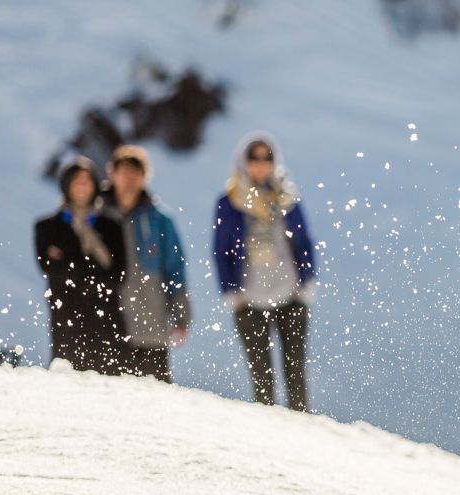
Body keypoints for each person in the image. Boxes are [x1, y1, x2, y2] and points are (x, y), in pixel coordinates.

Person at [213, 132, 316, 411]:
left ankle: (302, 429)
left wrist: (307, 283)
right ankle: (266, 431)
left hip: (290, 294)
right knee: (262, 377)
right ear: (243, 161)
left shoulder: (288, 197)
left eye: (267, 158)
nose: (261, 164)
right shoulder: (230, 201)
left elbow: (304, 242)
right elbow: (221, 251)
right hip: (249, 299)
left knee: (296, 373)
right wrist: (231, 293)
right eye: (254, 158)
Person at [102, 145, 191, 383]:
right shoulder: (99, 215)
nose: (130, 179)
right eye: (124, 172)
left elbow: (175, 269)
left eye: (136, 173)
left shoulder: (160, 220)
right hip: (109, 324)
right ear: (112, 173)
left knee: (156, 394)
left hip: (151, 323)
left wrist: (181, 317)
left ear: (145, 177)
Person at [33, 156, 128, 374]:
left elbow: (119, 273)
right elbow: (47, 266)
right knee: (68, 378)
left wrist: (67, 262)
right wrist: (94, 268)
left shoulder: (112, 226)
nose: (82, 185)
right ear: (66, 185)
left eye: (87, 180)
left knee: (109, 381)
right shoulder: (47, 226)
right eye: (77, 180)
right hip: (66, 317)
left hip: (105, 318)